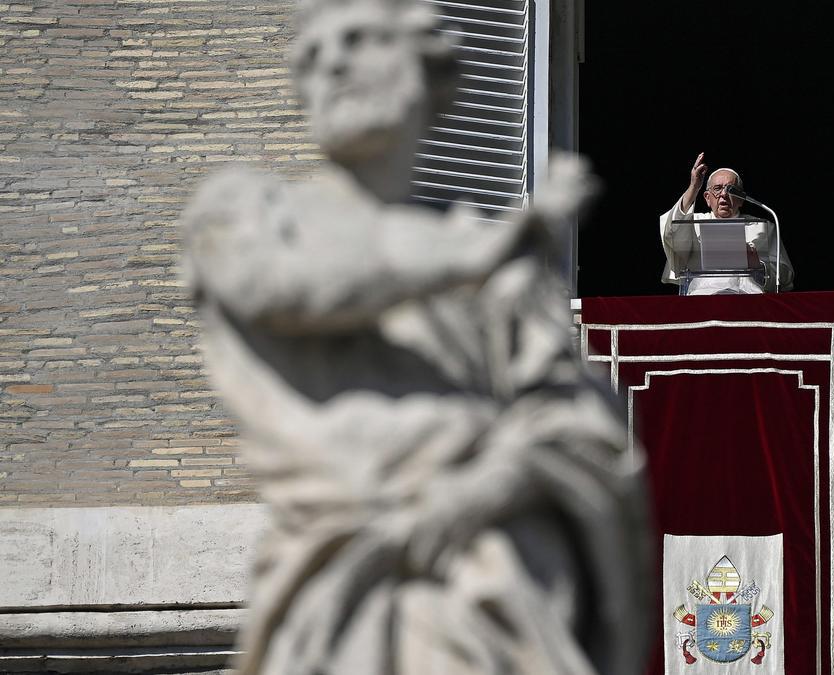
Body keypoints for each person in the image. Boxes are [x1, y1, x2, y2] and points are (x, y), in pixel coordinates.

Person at [181, 0, 649, 673]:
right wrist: (491, 247)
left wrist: (483, 489)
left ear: (428, 73)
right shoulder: (249, 212)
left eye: (360, 39)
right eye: (310, 55)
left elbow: (582, 427)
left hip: (497, 587)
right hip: (339, 581)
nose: (331, 63)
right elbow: (285, 288)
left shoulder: (499, 269)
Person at [659, 152, 793, 295]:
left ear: (741, 199)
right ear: (707, 198)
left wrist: (759, 267)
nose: (723, 194)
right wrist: (694, 187)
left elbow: (785, 278)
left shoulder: (762, 227)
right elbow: (671, 234)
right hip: (702, 301)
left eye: (731, 190)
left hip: (748, 302)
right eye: (717, 189)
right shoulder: (691, 223)